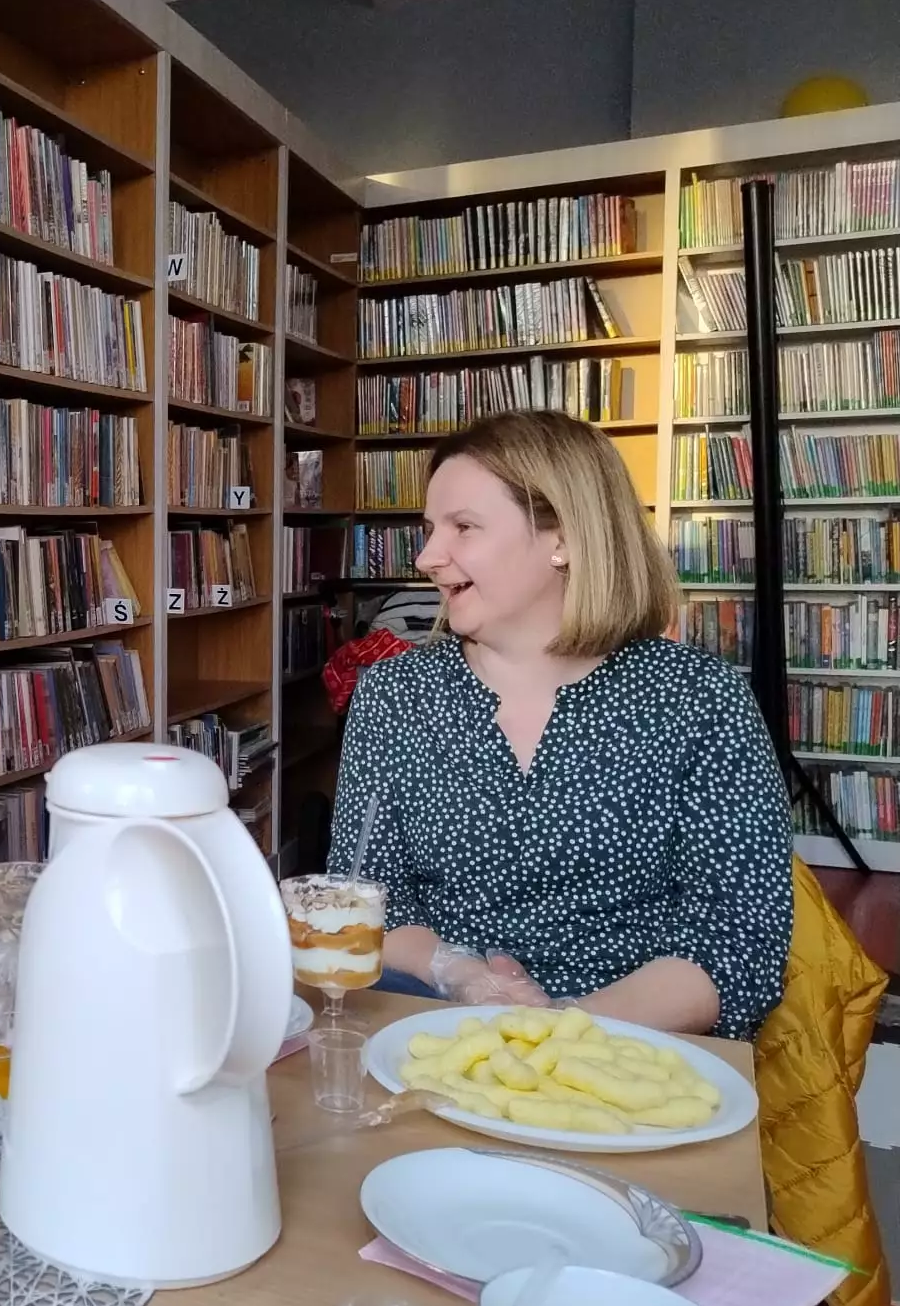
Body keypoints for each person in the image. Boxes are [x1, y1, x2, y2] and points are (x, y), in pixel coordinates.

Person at [327, 410, 792, 1040]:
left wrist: (558, 1033)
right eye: (430, 529)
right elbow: (366, 899)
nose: (428, 557)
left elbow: (738, 942)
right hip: (440, 1033)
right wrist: (457, 972)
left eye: (464, 527)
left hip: (636, 1050)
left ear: (564, 539)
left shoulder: (700, 699)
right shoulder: (393, 695)